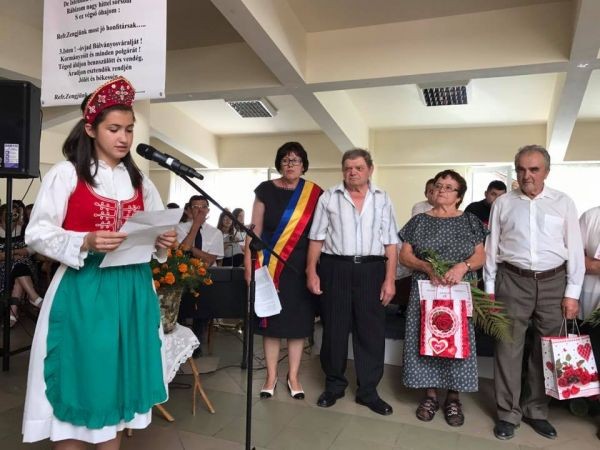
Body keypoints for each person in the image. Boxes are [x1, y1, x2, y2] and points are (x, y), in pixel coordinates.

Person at [22, 76, 178, 449]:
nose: (124, 138)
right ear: (91, 129)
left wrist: (163, 240)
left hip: (133, 290)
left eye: (129, 129)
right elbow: (36, 233)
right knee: (82, 377)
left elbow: (157, 230)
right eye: (114, 129)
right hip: (84, 290)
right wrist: (84, 240)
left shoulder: (141, 182)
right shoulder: (67, 174)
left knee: (119, 384)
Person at [484, 145, 585, 441]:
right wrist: (489, 290)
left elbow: (575, 250)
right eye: (521, 169)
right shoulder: (503, 203)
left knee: (547, 349)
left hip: (554, 283)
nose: (526, 175)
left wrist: (572, 293)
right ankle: (507, 413)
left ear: (546, 172)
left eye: (534, 169)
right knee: (507, 347)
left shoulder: (563, 202)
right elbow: (491, 248)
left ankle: (536, 410)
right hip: (512, 281)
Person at [306, 148, 398, 415]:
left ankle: (368, 391)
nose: (352, 172)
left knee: (370, 331)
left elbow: (390, 242)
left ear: (370, 169)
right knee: (334, 329)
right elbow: (316, 238)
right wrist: (311, 272)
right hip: (336, 268)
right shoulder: (329, 197)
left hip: (372, 269)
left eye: (358, 167)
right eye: (348, 168)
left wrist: (390, 279)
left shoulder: (382, 198)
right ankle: (334, 386)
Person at [398, 170, 485, 426]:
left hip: (459, 288)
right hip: (426, 287)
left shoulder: (470, 221)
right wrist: (426, 267)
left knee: (457, 338)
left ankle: (454, 397)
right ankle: (430, 395)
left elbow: (481, 256)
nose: (441, 190)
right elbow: (405, 256)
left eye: (448, 187)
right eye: (438, 185)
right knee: (427, 337)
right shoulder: (418, 221)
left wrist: (462, 267)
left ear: (459, 196)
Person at [245, 141, 322, 400]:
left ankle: (293, 376)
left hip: (300, 267)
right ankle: (271, 376)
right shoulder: (265, 189)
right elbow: (254, 230)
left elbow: (318, 235)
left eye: (296, 160)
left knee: (297, 324)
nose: (290, 165)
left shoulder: (314, 193)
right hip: (269, 265)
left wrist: (313, 269)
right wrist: (248, 267)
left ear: (303, 165)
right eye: (286, 160)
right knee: (272, 323)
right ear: (279, 163)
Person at [176, 195, 224, 355]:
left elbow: (210, 259)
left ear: (208, 210)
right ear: (189, 210)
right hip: (182, 276)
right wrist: (195, 226)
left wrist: (190, 247)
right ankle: (180, 344)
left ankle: (197, 343)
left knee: (204, 305)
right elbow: (181, 252)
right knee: (180, 306)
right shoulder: (179, 228)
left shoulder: (215, 232)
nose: (200, 210)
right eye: (195, 207)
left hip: (205, 277)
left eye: (203, 207)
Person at [0, 203, 43, 327]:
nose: (13, 217)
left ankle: (14, 313)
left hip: (25, 265)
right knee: (19, 267)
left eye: (16, 214)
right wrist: (15, 254)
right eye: (9, 214)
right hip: (3, 267)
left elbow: (32, 249)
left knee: (19, 267)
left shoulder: (24, 229)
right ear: (1, 216)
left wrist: (12, 253)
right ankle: (33, 298)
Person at [578, 205, 600, 440]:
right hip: (591, 303)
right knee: (593, 359)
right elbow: (573, 254)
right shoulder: (592, 217)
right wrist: (594, 265)